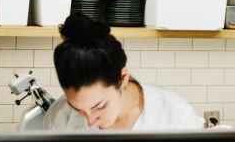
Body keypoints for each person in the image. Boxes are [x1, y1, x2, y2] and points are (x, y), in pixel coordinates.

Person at [42, 12, 204, 131]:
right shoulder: (59, 116)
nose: (90, 122)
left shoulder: (174, 114)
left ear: (123, 78)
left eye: (100, 106)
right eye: (79, 109)